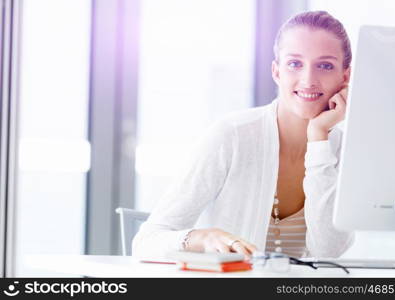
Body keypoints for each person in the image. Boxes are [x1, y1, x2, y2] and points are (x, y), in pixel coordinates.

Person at [132, 10, 355, 260]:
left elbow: (329, 252)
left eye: (325, 66)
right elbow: (146, 242)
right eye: (294, 63)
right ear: (276, 71)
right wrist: (201, 238)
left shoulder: (345, 152)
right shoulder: (232, 136)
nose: (308, 79)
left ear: (345, 77)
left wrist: (318, 138)